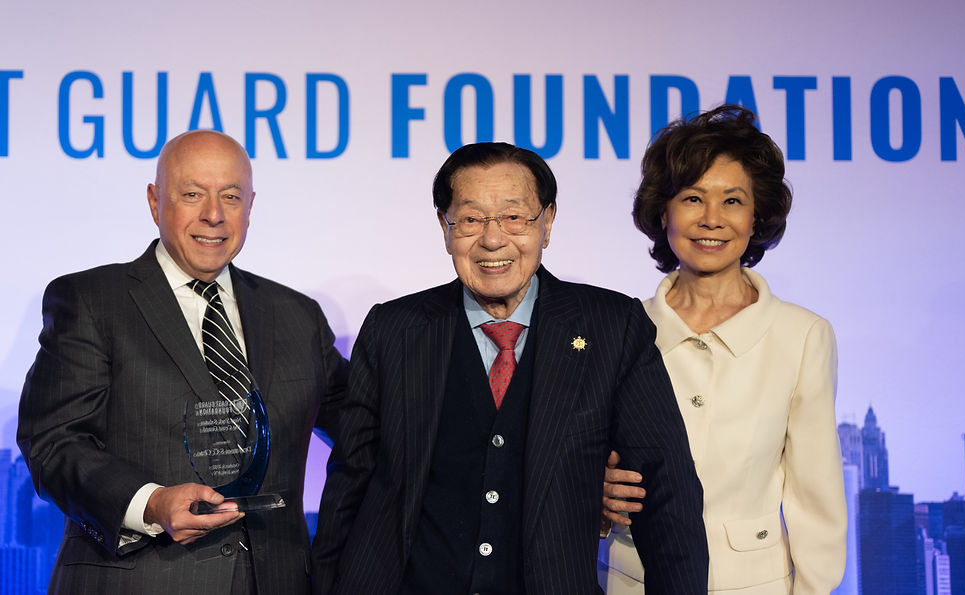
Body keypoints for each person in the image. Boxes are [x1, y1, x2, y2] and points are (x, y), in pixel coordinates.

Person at [311, 142, 707, 594]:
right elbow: (349, 486)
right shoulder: (394, 329)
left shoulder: (612, 327)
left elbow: (667, 495)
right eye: (471, 219)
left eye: (515, 217)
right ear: (445, 227)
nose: (493, 239)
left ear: (547, 222)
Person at [17, 130, 348, 594]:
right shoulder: (91, 301)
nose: (213, 214)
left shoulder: (297, 315)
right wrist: (151, 503)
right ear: (155, 202)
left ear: (250, 205)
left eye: (231, 196)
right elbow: (54, 443)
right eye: (192, 195)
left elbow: (366, 424)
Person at [599, 106, 847, 594]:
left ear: (756, 217)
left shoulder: (802, 335)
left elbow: (815, 500)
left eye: (733, 200)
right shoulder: (618, 329)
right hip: (634, 581)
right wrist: (598, 496)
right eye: (692, 198)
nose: (712, 219)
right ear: (664, 212)